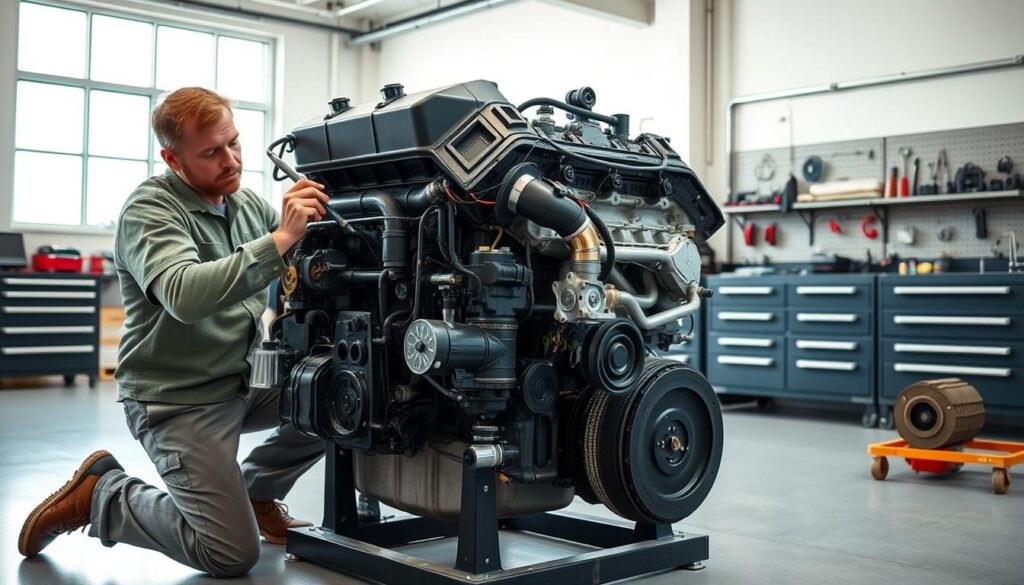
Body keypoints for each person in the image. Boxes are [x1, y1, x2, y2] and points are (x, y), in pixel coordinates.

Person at [18, 87, 330, 578]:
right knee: (230, 555)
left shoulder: (246, 205)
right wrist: (282, 239)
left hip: (243, 382)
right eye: (210, 152)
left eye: (234, 143)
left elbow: (305, 259)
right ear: (172, 158)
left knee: (338, 393)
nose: (231, 160)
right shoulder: (150, 210)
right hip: (178, 398)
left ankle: (257, 491)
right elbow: (184, 295)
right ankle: (102, 495)